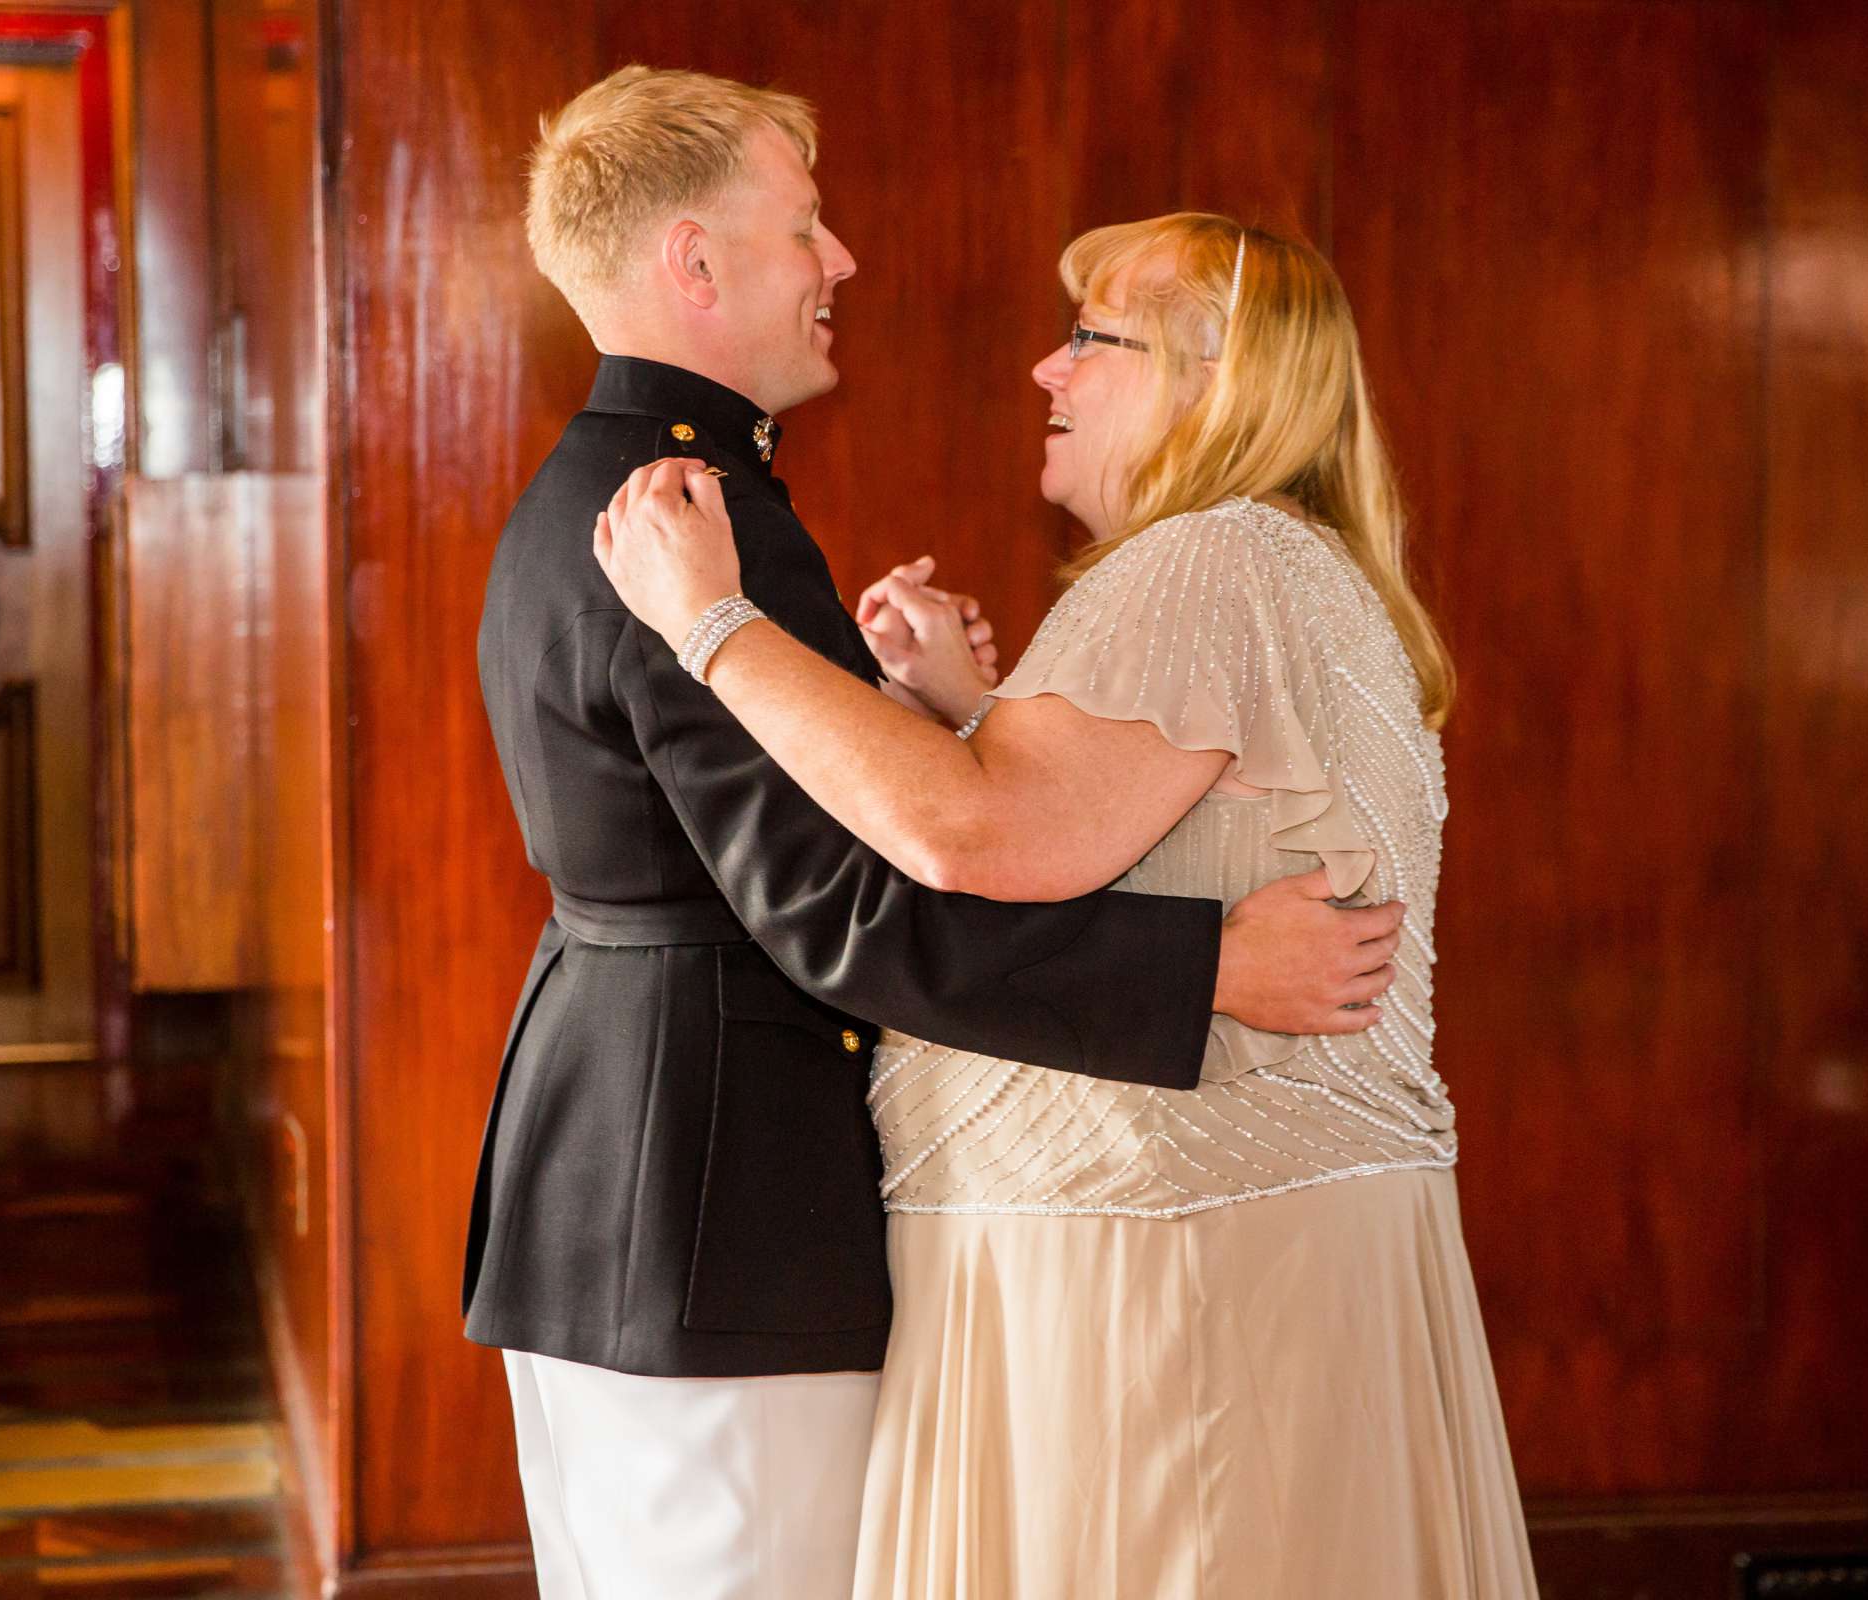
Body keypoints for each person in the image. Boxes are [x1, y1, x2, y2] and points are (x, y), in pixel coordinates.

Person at [468, 71, 1406, 1600]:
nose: (840, 260)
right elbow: (841, 910)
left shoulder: (623, 486)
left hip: (641, 1182)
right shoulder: (696, 520)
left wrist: (941, 714)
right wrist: (1208, 971)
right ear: (693, 263)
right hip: (716, 1211)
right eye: (804, 226)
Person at [597, 212, 1540, 1597]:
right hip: (1216, 1265)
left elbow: (973, 834)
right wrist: (974, 713)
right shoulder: (1271, 563)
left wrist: (712, 624)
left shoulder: (1206, 563)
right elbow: (1161, 826)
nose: (1047, 369)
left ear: (1215, 380)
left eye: (1094, 338)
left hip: (1167, 1293)